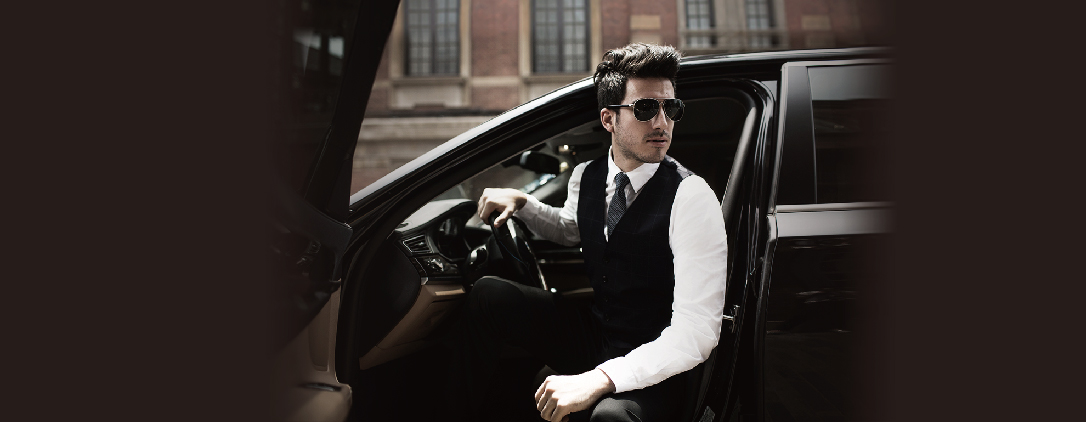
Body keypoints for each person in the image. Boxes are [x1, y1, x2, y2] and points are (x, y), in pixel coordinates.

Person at [459, 43, 728, 422]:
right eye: (645, 108)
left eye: (671, 108)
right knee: (489, 294)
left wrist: (601, 379)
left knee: (610, 418)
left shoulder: (692, 196)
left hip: (654, 356)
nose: (662, 122)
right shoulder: (586, 175)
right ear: (608, 119)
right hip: (597, 332)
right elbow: (571, 228)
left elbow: (696, 333)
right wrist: (523, 202)